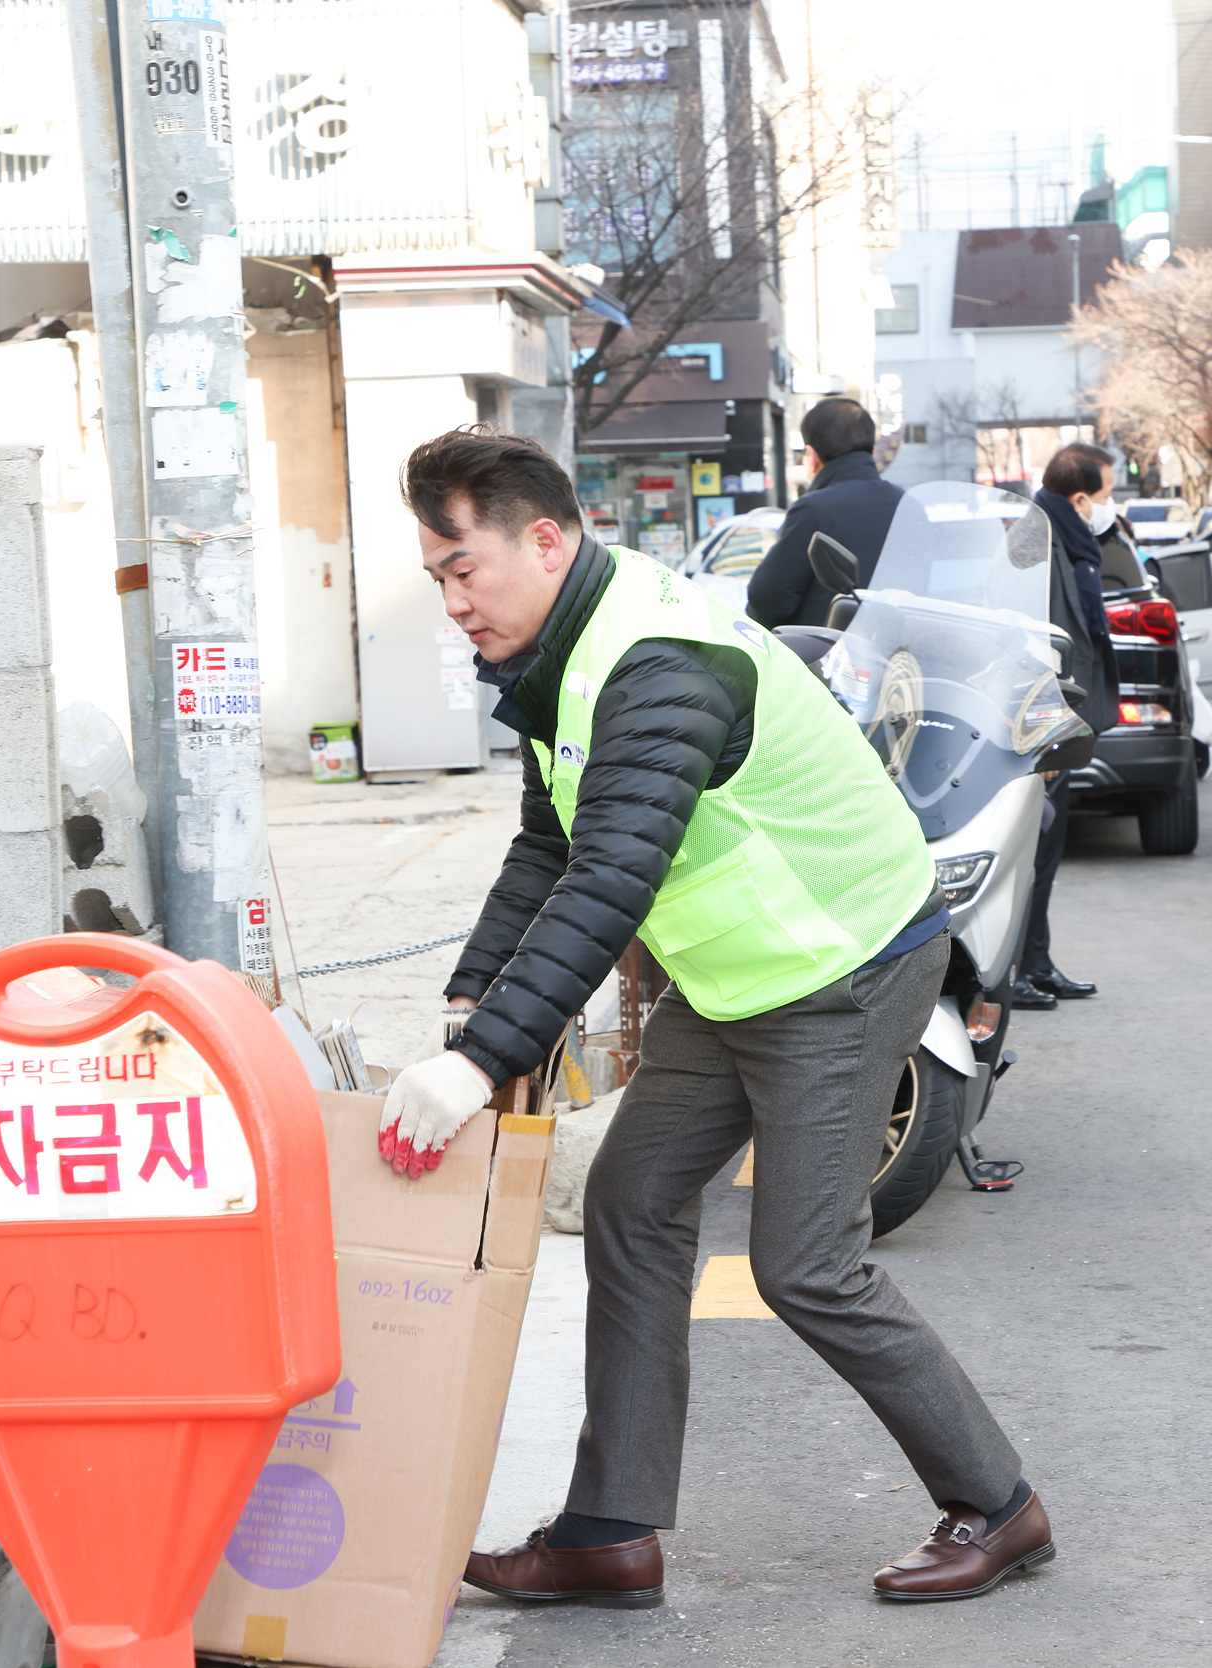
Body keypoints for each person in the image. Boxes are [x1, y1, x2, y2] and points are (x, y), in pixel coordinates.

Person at [376, 428, 1047, 1611]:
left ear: (544, 539)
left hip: (841, 967)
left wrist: (485, 1063)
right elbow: (554, 839)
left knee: (806, 1268)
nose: (451, 601)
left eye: (460, 568)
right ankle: (607, 1533)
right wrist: (476, 992)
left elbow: (610, 876)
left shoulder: (659, 664)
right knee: (633, 1206)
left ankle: (998, 1507)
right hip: (740, 974)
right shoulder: (566, 648)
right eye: (435, 576)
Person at [1014, 441, 1124, 1010]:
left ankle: (1037, 963)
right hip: (1043, 720)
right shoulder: (1036, 539)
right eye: (1106, 494)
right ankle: (1011, 972)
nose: (1110, 505)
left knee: (1047, 852)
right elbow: (1028, 639)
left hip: (1068, 716)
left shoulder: (1074, 538)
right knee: (1026, 852)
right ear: (1080, 497)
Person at [744, 397, 905, 628]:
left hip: (828, 656)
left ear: (813, 455)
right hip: (901, 654)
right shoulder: (906, 505)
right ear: (870, 448)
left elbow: (768, 600)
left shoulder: (813, 510)